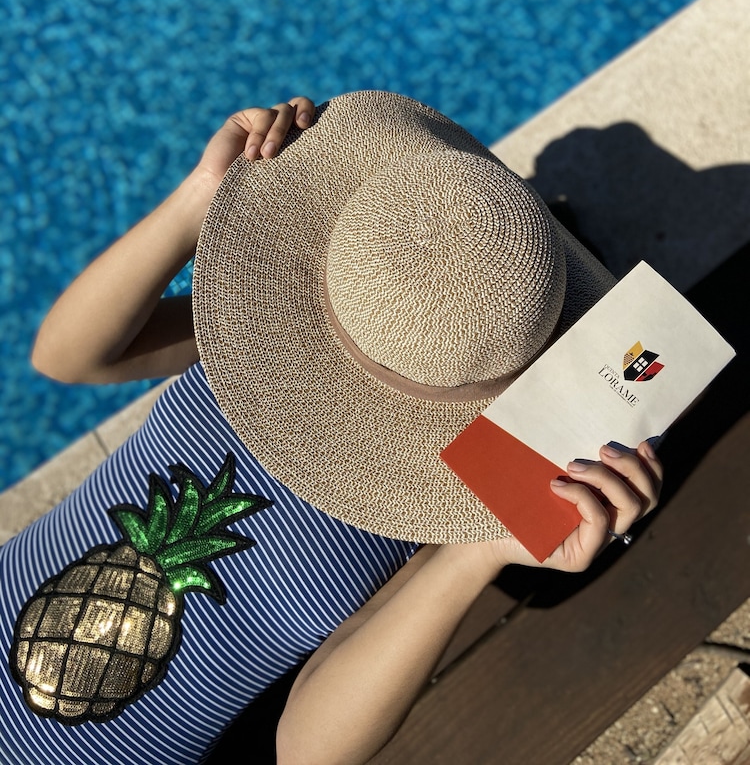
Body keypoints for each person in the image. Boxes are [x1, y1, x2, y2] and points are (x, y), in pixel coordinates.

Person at [1, 92, 662, 765]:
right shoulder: (269, 328)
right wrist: (201, 196)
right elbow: (66, 357)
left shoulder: (460, 483)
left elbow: (303, 750)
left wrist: (479, 552)